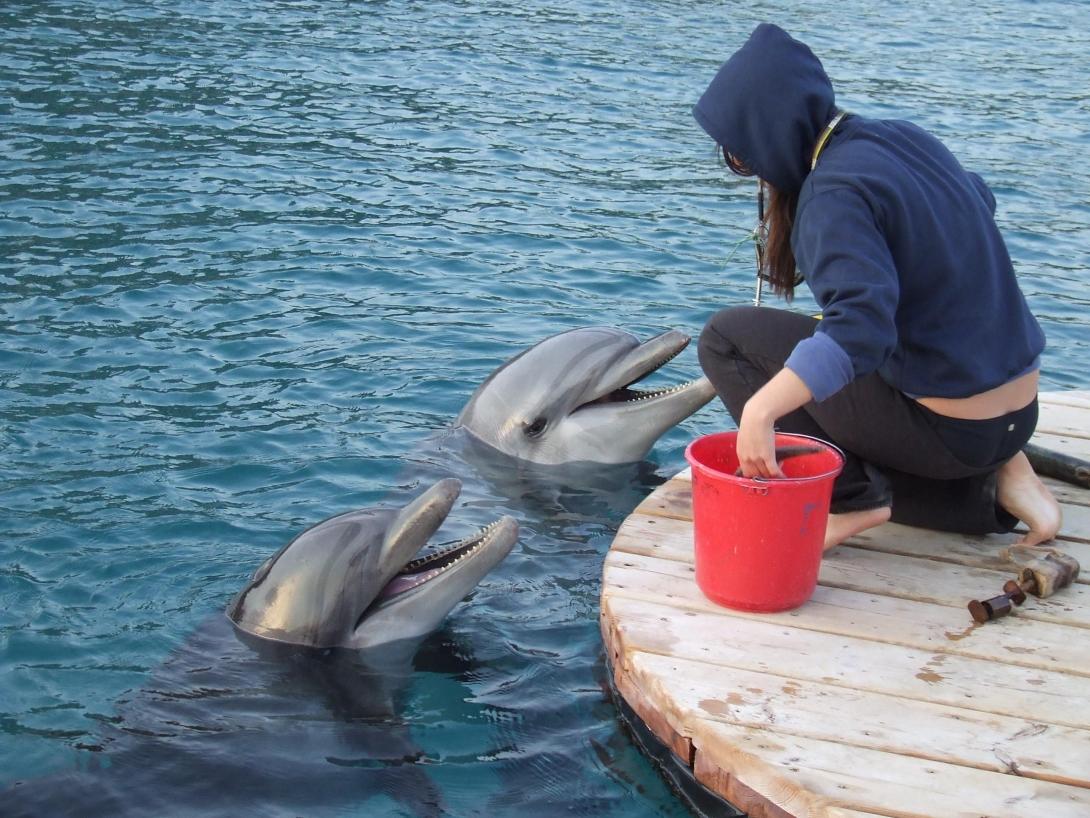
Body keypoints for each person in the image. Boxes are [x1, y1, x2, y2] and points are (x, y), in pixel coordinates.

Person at [691, 23, 1061, 549]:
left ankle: (847, 502)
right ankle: (1001, 480)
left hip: (953, 433)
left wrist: (761, 409)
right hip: (1016, 416)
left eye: (740, 156)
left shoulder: (830, 195)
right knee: (823, 344)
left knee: (727, 339)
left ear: (770, 137)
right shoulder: (902, 137)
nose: (745, 170)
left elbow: (861, 329)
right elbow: (978, 202)